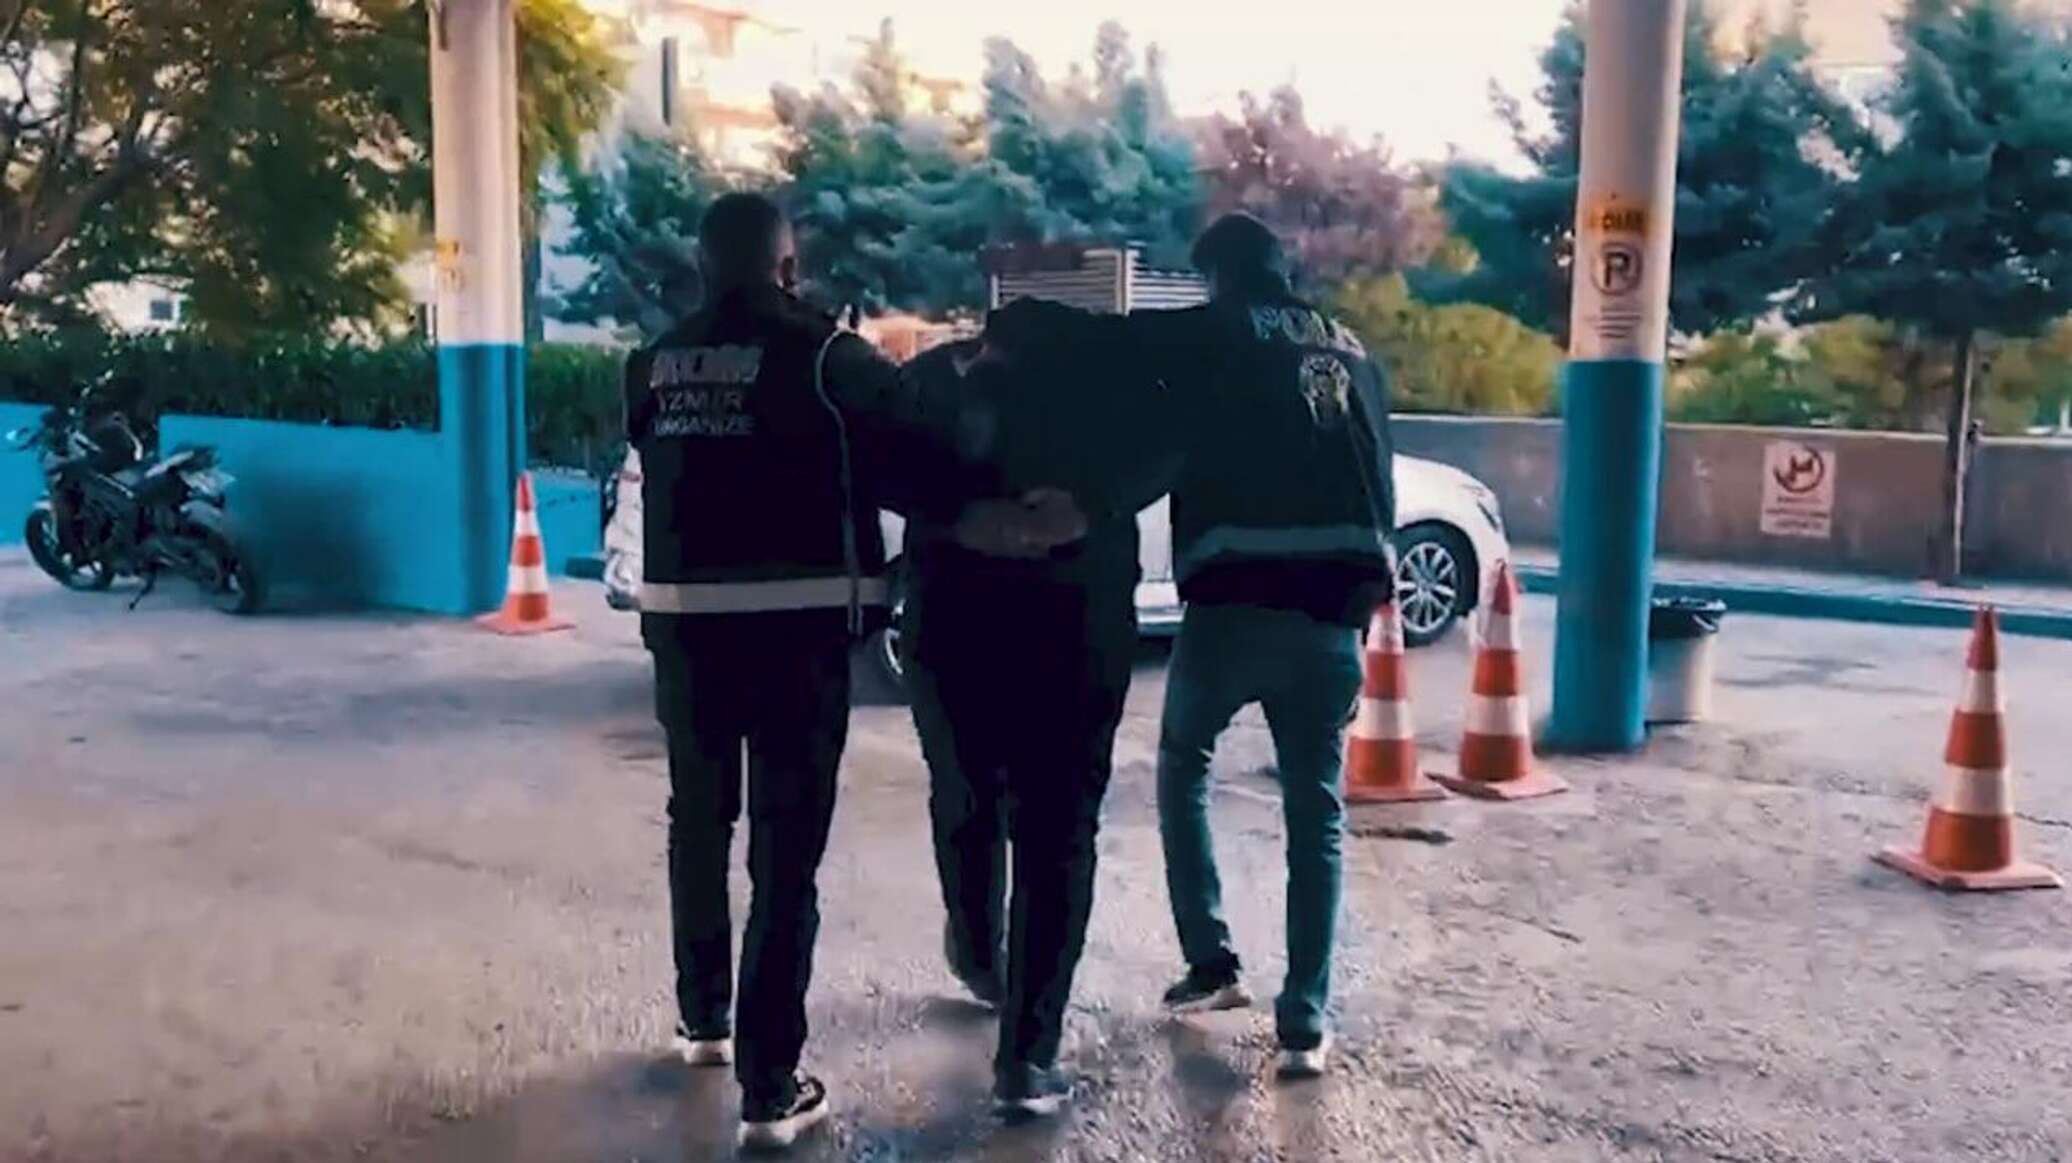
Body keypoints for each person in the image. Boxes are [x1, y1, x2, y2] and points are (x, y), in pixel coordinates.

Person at [624, 192, 977, 1151]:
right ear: (787, 268)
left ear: (703, 269)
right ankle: (769, 1086)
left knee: (698, 823)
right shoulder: (828, 356)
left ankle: (704, 1018)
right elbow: (923, 445)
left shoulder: (652, 362)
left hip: (684, 629)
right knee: (785, 858)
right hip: (797, 634)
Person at [896, 323, 1178, 1119]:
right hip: (1075, 625)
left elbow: (876, 456)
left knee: (965, 795)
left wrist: (955, 514)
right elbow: (1173, 443)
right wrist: (1090, 507)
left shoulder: (935, 378)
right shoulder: (1114, 377)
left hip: (953, 621)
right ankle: (1027, 1054)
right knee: (1058, 832)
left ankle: (980, 953)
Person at [1138, 214, 1397, 1078]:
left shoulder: (1214, 332)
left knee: (1183, 765)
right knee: (1316, 813)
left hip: (1233, 605)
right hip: (1332, 615)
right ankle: (1305, 1020)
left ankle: (1211, 962)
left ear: (1219, 275)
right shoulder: (1354, 348)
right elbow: (1378, 472)